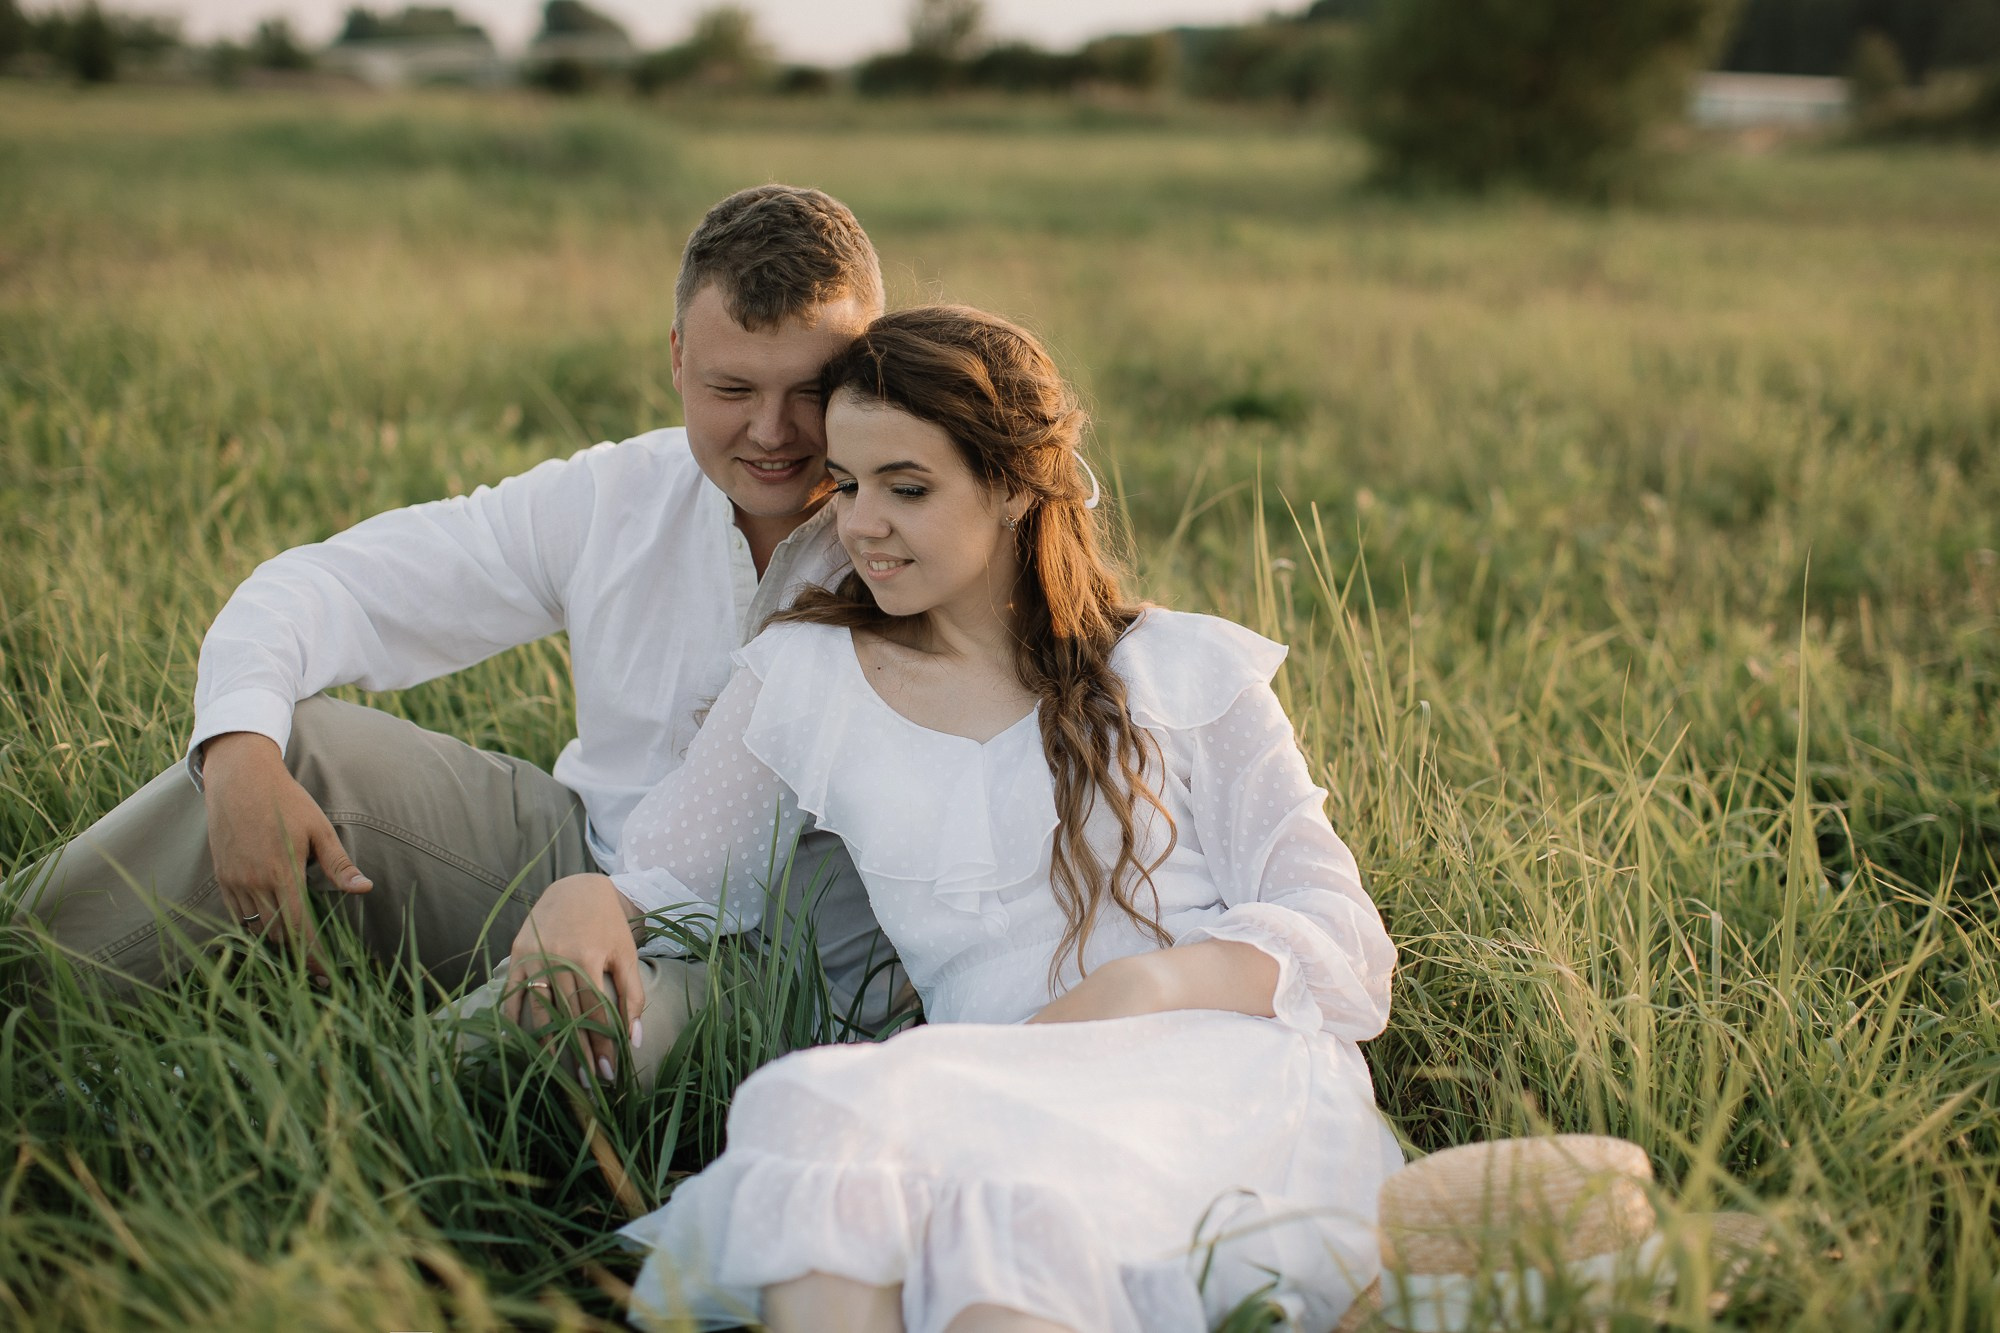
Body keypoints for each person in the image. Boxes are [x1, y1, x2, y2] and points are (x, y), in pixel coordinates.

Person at [549, 306, 1402, 1332]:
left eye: (906, 488)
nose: (860, 522)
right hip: (990, 1083)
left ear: (1009, 486)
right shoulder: (803, 674)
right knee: (821, 1114)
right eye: (849, 484)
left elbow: (1342, 936)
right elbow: (672, 875)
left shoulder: (1176, 668)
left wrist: (1143, 983)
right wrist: (579, 892)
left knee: (969, 1187)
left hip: (1214, 1078)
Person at [10, 185, 900, 1079]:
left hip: (770, 956)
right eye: (732, 387)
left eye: (812, 390)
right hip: (579, 850)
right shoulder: (614, 495)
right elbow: (336, 585)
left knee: (559, 1028)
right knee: (295, 742)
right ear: (676, 360)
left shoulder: (916, 536)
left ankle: (263, 1127)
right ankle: (20, 986)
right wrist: (238, 745)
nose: (773, 431)